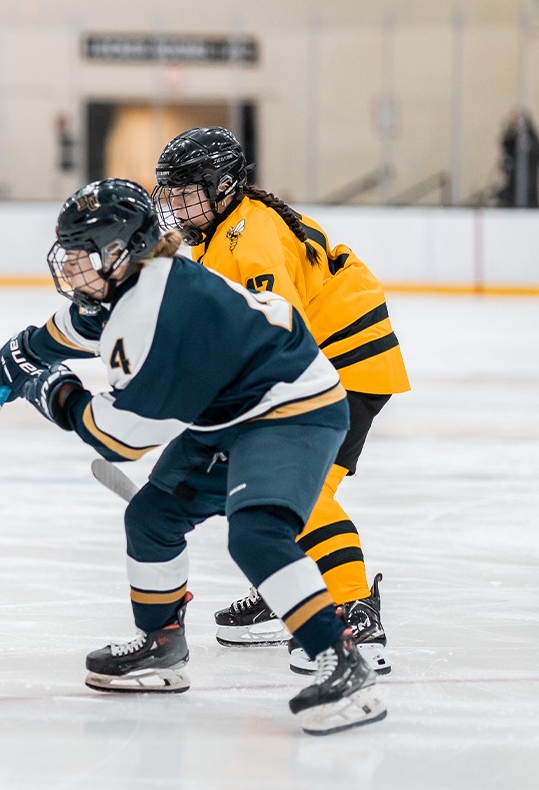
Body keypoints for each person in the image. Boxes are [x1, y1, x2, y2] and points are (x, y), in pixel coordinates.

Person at [0, 179, 385, 735]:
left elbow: (120, 438)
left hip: (293, 407)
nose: (73, 267)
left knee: (256, 534)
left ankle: (344, 662)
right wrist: (30, 347)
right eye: (70, 253)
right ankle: (162, 644)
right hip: (232, 407)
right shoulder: (137, 280)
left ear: (123, 250)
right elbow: (85, 323)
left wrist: (47, 388)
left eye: (84, 253)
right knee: (152, 518)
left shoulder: (154, 313)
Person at [152, 126, 407, 674]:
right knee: (265, 483)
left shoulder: (252, 236)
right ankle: (290, 589)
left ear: (223, 187)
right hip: (330, 359)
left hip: (345, 364)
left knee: (304, 491)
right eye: (169, 191)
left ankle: (354, 609)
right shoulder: (221, 236)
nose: (175, 203)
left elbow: (280, 331)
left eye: (186, 189)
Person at [499, 110, 539, 209]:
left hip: (529, 180)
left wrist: (529, 146)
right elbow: (506, 146)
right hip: (513, 181)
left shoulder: (532, 136)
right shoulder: (512, 137)